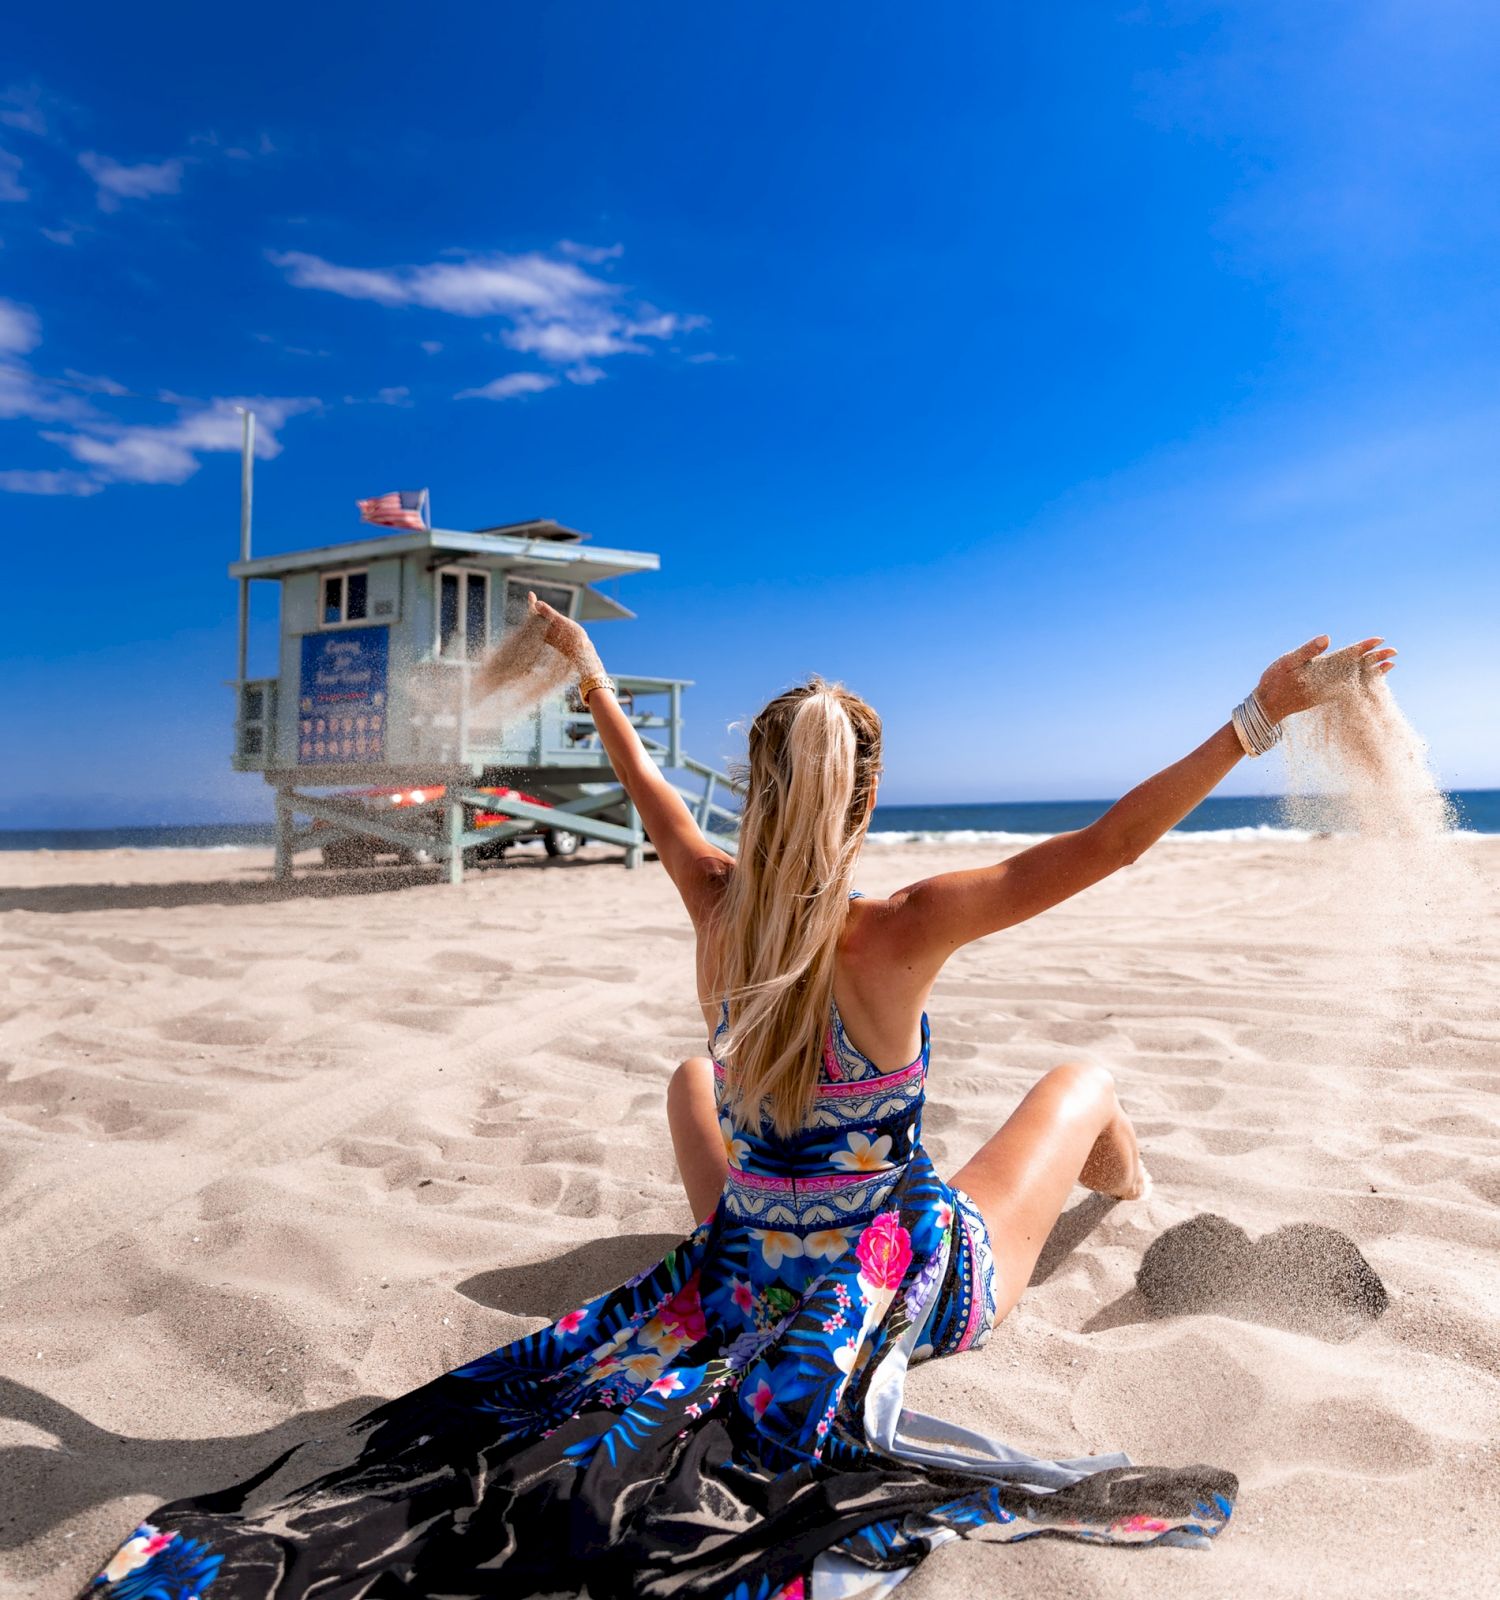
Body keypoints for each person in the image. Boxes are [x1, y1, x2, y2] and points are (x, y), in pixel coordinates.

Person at [85, 611, 1395, 1600]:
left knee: (689, 1079)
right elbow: (1107, 844)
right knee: (1081, 1083)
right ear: (866, 793)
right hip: (891, 1286)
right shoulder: (899, 927)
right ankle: (1131, 1195)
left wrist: (584, 666)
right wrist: (1257, 715)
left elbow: (636, 772)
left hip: (740, 1266)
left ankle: (1075, 1196)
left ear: (759, 790)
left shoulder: (713, 899)